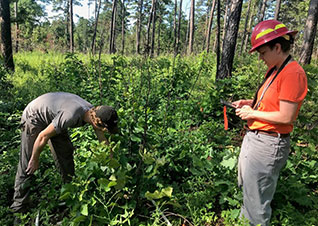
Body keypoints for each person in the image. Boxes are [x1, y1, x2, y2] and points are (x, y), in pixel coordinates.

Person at [233, 20, 307, 226]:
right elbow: (272, 102)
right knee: (249, 188)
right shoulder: (276, 69)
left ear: (277, 46)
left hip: (269, 144)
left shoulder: (293, 73)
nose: (260, 57)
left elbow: (286, 117)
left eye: (263, 52)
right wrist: (248, 103)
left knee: (257, 199)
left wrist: (252, 113)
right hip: (256, 138)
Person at [11, 92, 119, 214]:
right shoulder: (71, 116)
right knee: (28, 163)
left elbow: (103, 142)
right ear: (98, 122)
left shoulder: (95, 113)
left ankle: (69, 193)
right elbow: (42, 136)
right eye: (105, 128)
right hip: (34, 116)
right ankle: (19, 208)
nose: (105, 131)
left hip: (54, 117)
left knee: (66, 153)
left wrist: (113, 167)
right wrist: (35, 159)